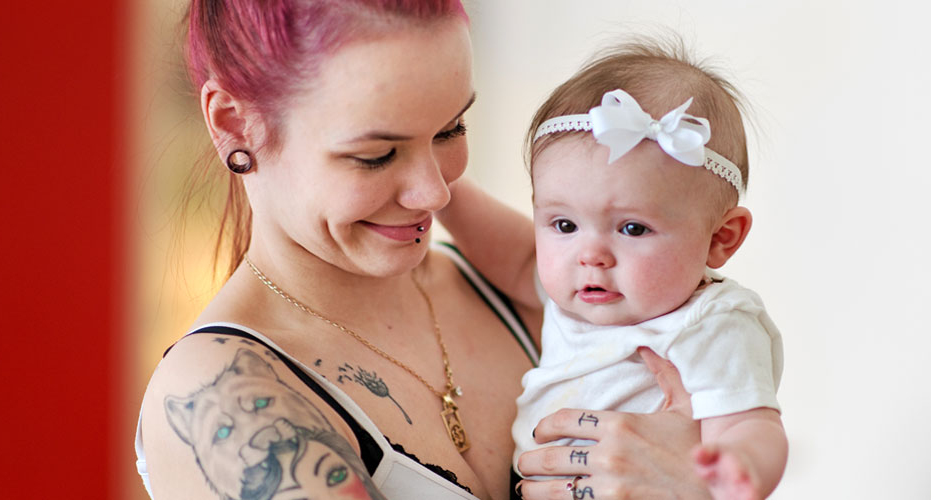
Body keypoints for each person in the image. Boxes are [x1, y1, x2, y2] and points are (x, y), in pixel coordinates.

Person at [135, 2, 711, 499]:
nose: (435, 192)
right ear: (235, 124)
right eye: (377, 155)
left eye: (451, 129)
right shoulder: (223, 395)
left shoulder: (527, 287)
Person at [437, 40, 789, 499]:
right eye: (564, 224)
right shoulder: (581, 299)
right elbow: (519, 256)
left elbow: (751, 423)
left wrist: (734, 469)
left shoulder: (712, 322)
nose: (592, 255)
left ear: (721, 238)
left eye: (632, 228)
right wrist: (446, 188)